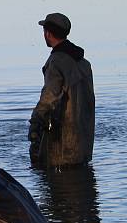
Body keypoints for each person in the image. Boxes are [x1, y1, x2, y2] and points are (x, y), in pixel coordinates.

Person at [29, 13, 95, 168]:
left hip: (63, 147)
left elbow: (49, 97)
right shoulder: (84, 63)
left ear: (48, 33)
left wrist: (35, 122)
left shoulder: (56, 62)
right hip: (84, 145)